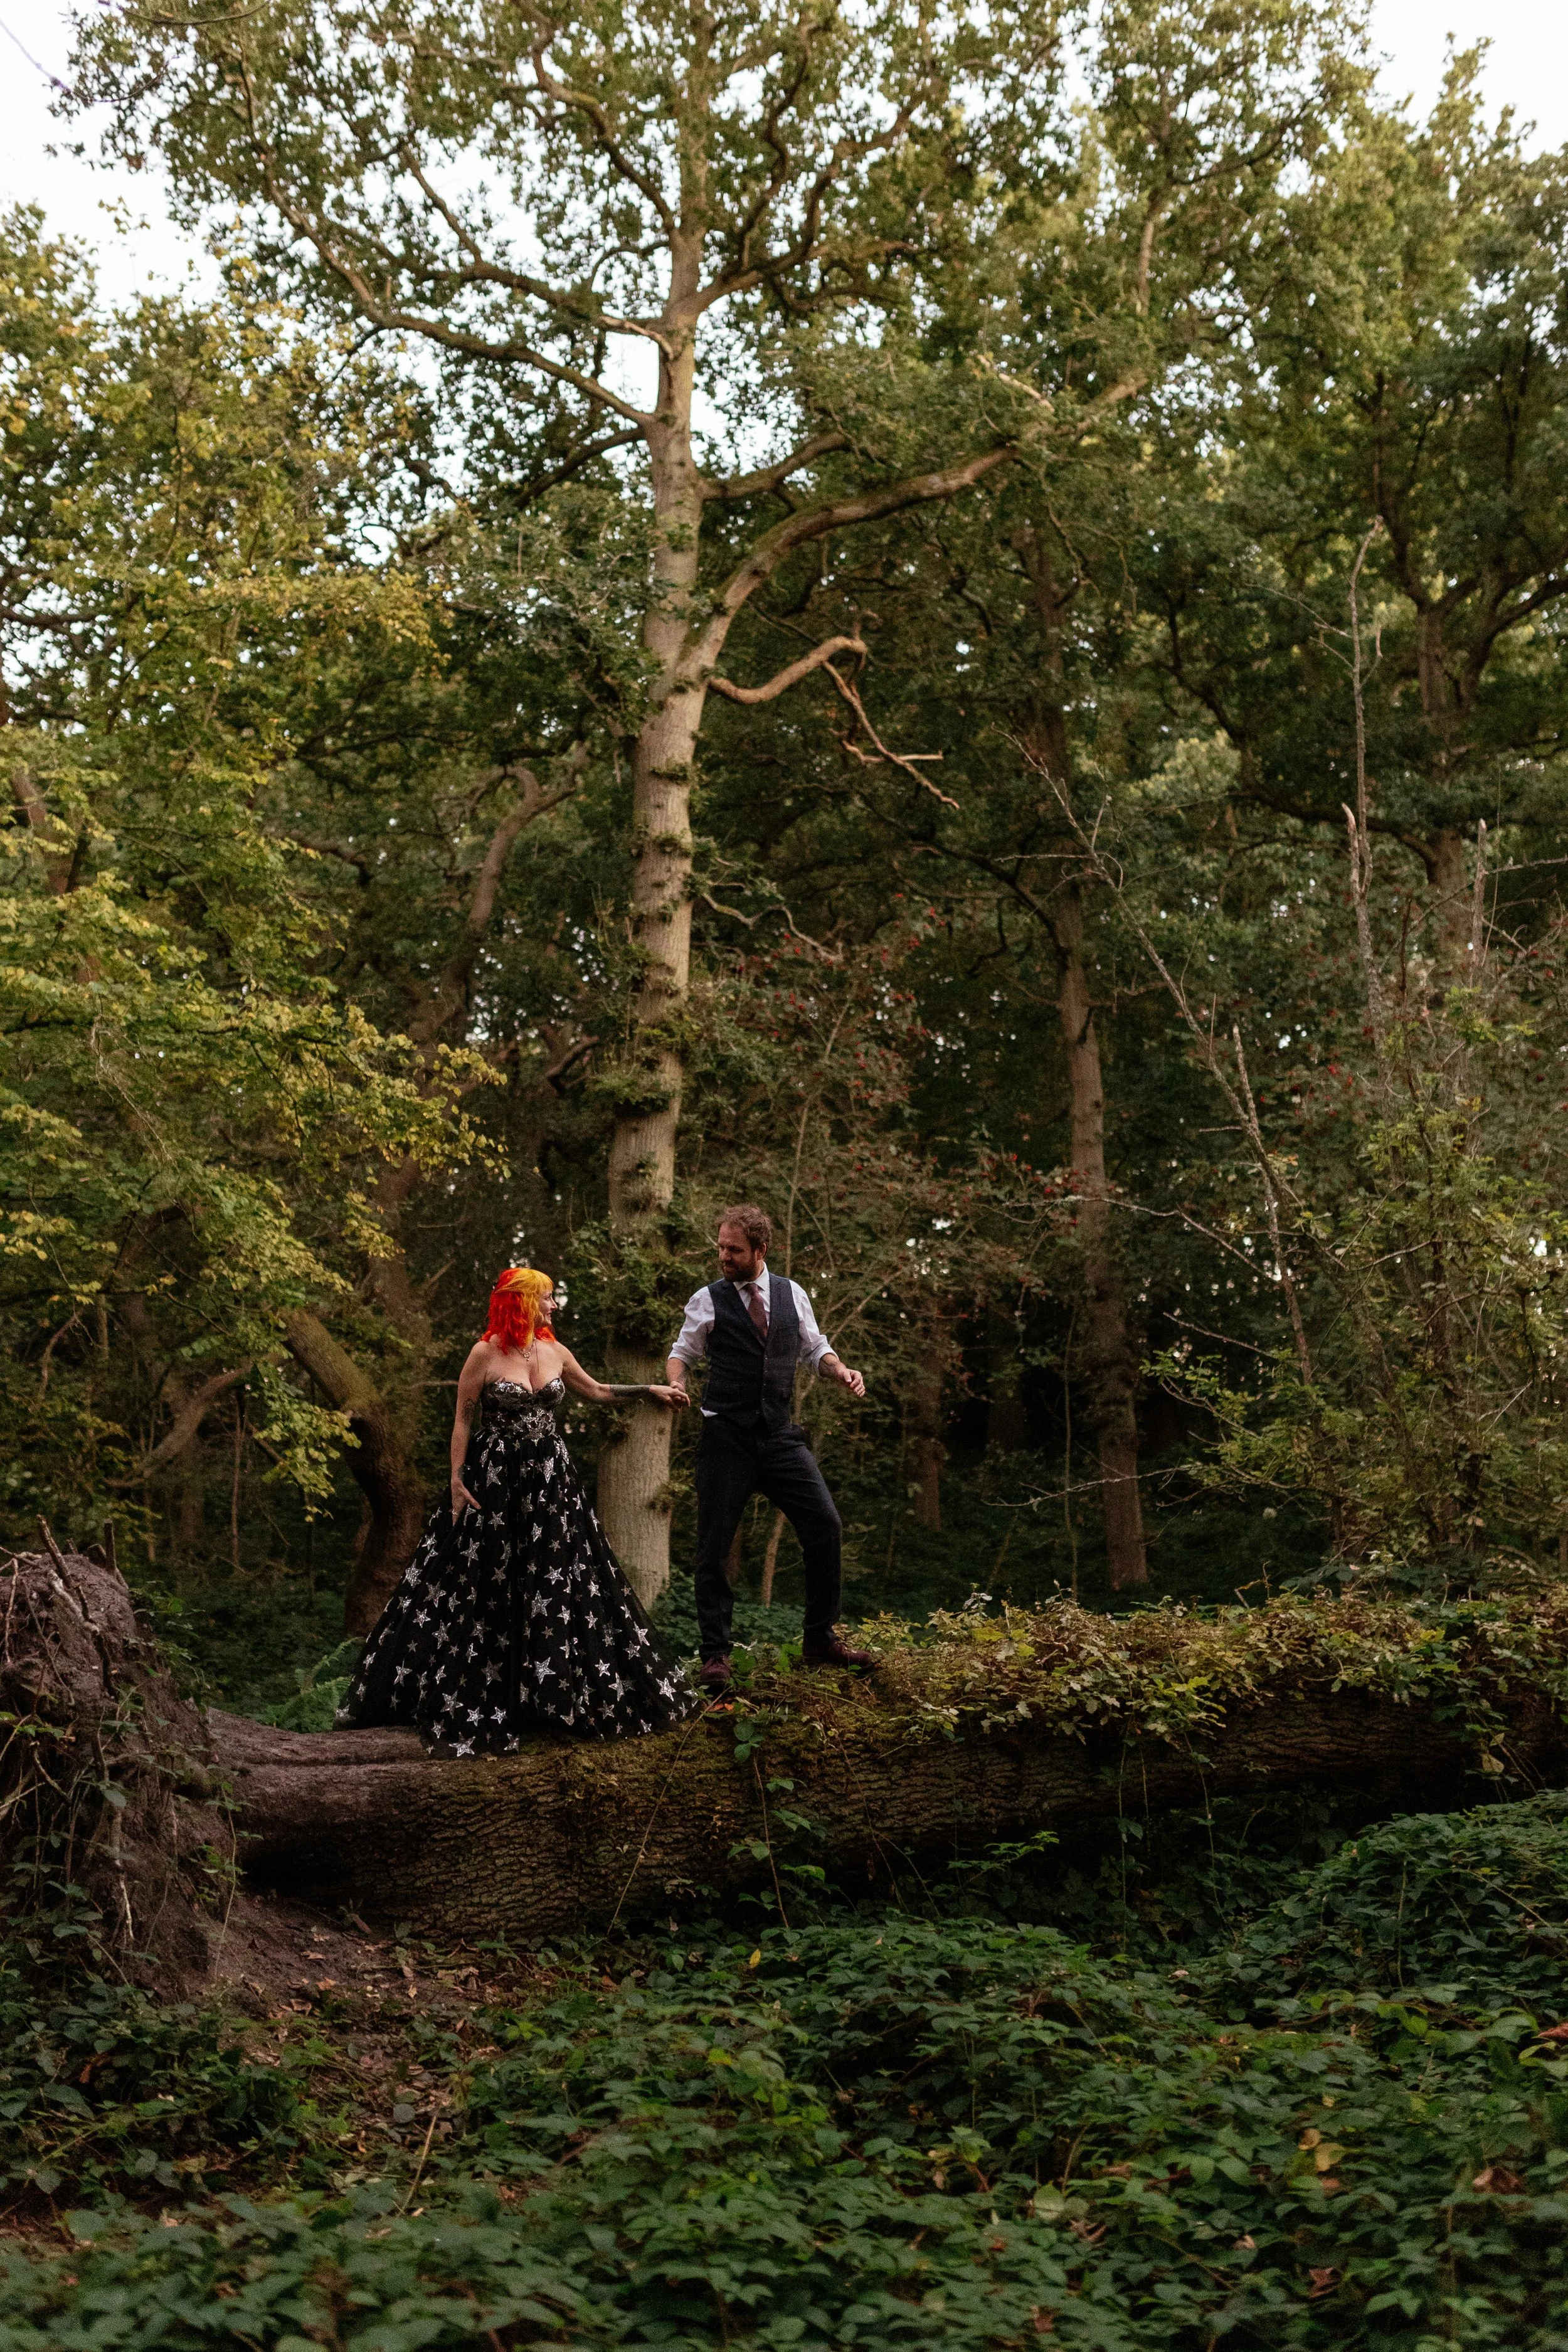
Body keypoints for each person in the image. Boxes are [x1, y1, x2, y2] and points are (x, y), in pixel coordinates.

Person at [337, 1266, 696, 1756]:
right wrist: (456, 1482)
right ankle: (483, 1694)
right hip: (496, 1481)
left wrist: (649, 1391)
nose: (553, 1306)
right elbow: (462, 1421)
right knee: (487, 1583)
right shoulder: (484, 1354)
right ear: (521, 1301)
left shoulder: (555, 1351)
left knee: (554, 1581)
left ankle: (549, 1697)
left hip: (550, 1482)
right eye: (546, 1298)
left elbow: (596, 1392)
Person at [667, 1204, 874, 1692]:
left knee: (826, 1525)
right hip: (726, 1438)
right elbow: (682, 1355)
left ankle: (820, 1639)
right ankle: (715, 1655)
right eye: (720, 1247)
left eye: (733, 1250)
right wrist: (677, 1384)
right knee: (714, 1547)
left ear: (761, 1251)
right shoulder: (708, 1299)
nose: (723, 1256)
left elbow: (815, 1347)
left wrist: (840, 1370)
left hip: (779, 1437)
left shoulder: (792, 1294)